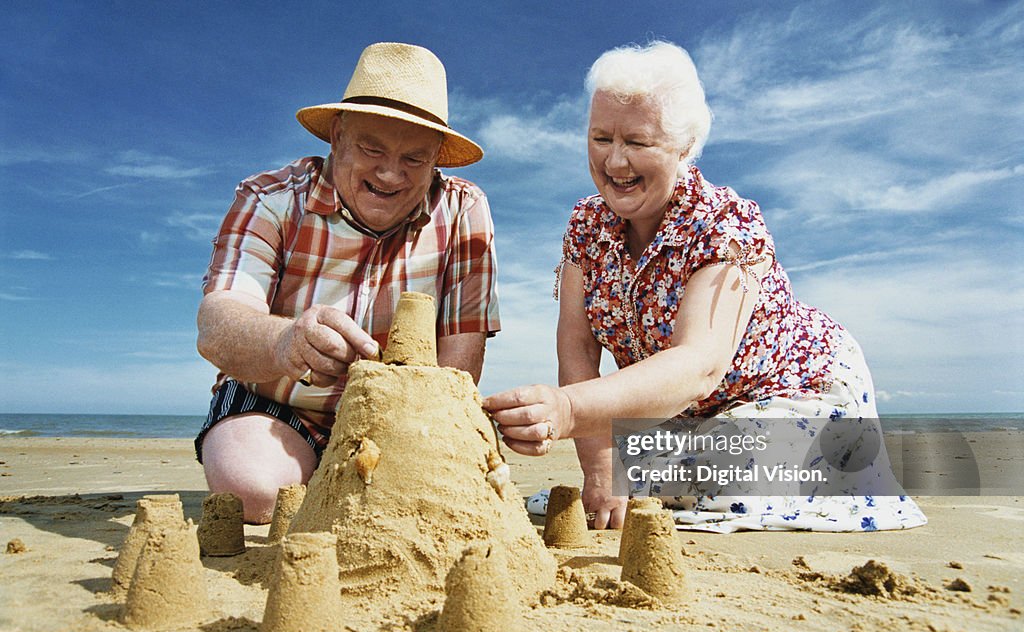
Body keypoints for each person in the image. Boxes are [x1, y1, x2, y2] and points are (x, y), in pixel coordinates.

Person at [483, 41, 926, 534]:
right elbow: (577, 348)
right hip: (685, 418)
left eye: (638, 141)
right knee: (637, 475)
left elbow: (699, 365)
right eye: (601, 138)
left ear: (684, 146)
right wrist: (599, 466)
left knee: (719, 481)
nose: (615, 161)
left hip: (792, 391)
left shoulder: (726, 223)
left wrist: (568, 412)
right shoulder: (586, 225)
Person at [196, 43, 500, 523]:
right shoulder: (270, 200)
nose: (389, 173)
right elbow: (218, 325)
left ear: (439, 157)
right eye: (371, 148)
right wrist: (286, 341)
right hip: (276, 403)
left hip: (400, 418)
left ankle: (344, 481)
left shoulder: (464, 209)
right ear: (337, 135)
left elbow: (460, 363)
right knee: (254, 490)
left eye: (415, 159)